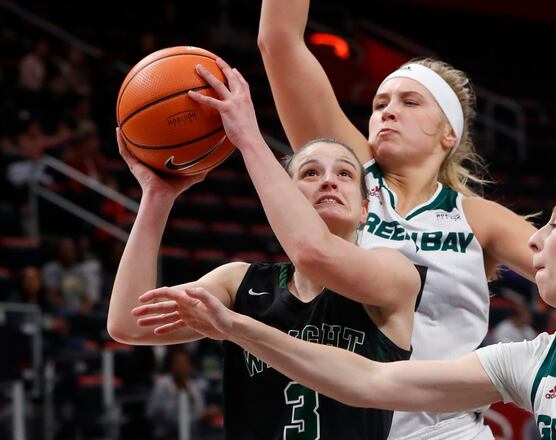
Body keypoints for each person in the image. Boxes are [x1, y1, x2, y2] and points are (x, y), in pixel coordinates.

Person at [136, 179, 556, 439]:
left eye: (553, 223)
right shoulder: (532, 362)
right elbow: (369, 382)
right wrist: (237, 328)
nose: (531, 239)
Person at [257, 2, 538, 437]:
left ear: (449, 134)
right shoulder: (347, 176)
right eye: (379, 103)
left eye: (410, 102)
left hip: (445, 428)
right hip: (344, 420)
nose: (387, 111)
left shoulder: (480, 218)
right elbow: (278, 42)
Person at [107, 72, 426, 438]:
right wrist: (157, 199)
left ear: (366, 209)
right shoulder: (239, 282)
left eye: (344, 173)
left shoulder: (395, 274)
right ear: (284, 196)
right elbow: (128, 324)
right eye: (310, 172)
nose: (328, 180)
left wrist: (247, 137)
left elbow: (313, 253)